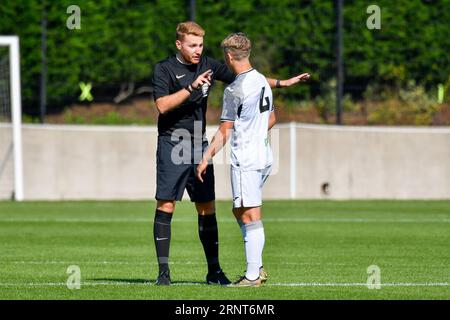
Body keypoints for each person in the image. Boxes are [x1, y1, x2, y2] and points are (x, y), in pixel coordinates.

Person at [152, 21, 309, 286]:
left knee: (207, 207)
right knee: (166, 204)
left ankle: (214, 272)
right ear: (179, 44)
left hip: (200, 142)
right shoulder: (164, 68)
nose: (198, 50)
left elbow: (245, 77)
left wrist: (281, 83)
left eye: (201, 45)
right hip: (172, 142)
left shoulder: (209, 65)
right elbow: (162, 105)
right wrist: (191, 87)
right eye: (192, 45)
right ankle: (163, 274)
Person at [197, 32, 289, 287]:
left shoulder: (235, 89)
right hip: (264, 155)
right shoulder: (261, 81)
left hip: (246, 159)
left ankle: (252, 275)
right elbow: (271, 119)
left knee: (250, 215)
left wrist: (206, 157)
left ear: (228, 56)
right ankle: (256, 264)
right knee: (239, 209)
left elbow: (225, 130)